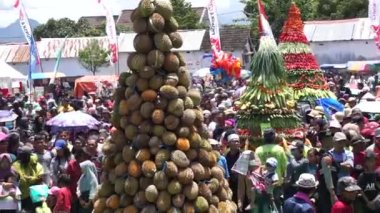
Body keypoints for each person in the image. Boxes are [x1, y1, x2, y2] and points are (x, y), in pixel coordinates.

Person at [12, 145, 44, 212]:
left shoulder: (35, 164)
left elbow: (40, 178)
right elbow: (20, 179)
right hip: (20, 194)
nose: (23, 157)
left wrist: (28, 178)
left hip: (34, 195)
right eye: (21, 155)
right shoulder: (16, 165)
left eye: (26, 155)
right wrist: (33, 179)